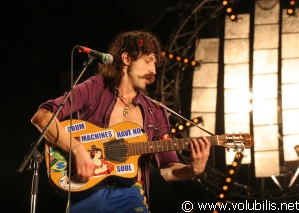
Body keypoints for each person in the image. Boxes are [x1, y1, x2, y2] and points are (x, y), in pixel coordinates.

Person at [31, 30, 211, 213]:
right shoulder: (95, 88)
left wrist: (192, 170)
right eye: (148, 61)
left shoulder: (156, 112)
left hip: (130, 195)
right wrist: (76, 150)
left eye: (155, 64)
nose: (154, 71)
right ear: (126, 58)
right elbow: (42, 117)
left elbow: (167, 168)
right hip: (84, 192)